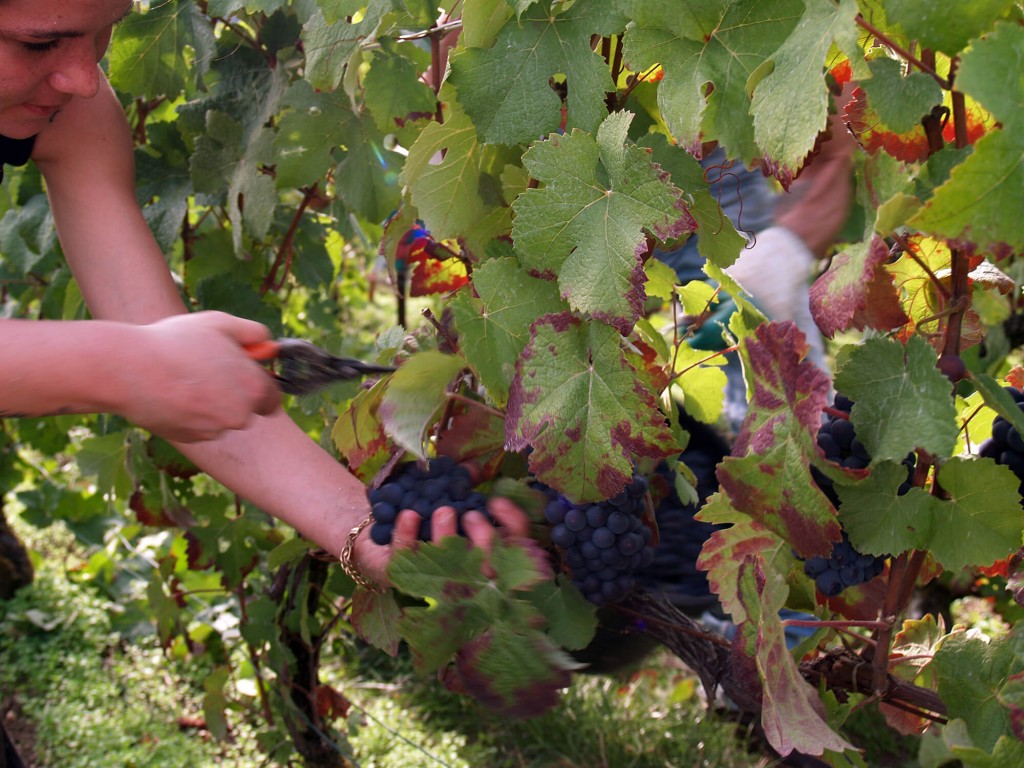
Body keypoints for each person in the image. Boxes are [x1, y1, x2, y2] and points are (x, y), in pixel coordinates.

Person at [0, 0, 524, 593]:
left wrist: (362, 532)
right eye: (37, 44)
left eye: (108, 29)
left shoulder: (71, 110)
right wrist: (120, 366)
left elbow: (166, 362)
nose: (85, 76)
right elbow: (144, 364)